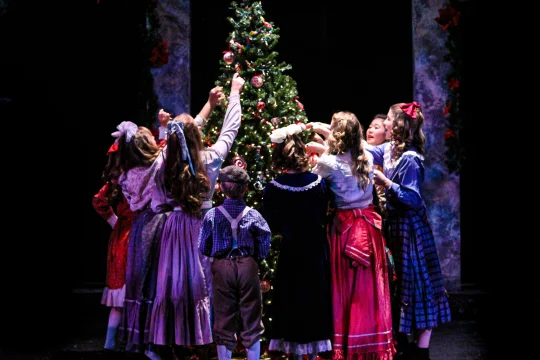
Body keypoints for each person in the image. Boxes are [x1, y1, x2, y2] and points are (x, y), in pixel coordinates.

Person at [148, 73, 245, 356]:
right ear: (196, 136)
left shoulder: (164, 159)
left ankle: (173, 340)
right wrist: (235, 93)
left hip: (175, 226)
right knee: (202, 281)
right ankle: (205, 343)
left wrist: (165, 209)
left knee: (175, 281)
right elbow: (230, 130)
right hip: (203, 225)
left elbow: (156, 199)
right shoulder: (210, 158)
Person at [365, 102, 452, 360]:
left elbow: (412, 199)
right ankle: (403, 343)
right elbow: (367, 151)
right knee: (399, 283)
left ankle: (420, 351)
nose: (386, 124)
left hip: (410, 229)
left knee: (417, 285)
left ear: (399, 124)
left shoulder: (410, 159)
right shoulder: (390, 150)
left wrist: (387, 183)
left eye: (389, 120)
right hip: (395, 226)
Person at [305, 111, 395, 360]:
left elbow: (310, 185)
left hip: (345, 230)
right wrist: (325, 135)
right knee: (368, 290)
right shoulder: (365, 155)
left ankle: (347, 345)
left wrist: (318, 149)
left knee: (346, 289)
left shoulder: (327, 163)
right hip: (369, 229)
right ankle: (372, 343)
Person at [261, 123, 333, 360]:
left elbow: (271, 223)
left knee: (291, 297)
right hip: (314, 249)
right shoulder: (318, 184)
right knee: (313, 296)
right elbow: (324, 213)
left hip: (291, 250)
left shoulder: (273, 188)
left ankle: (292, 352)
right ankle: (311, 354)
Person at [198, 165, 272, 360]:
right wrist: (256, 258)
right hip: (247, 265)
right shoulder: (254, 214)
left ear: (221, 187)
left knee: (223, 314)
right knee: (252, 313)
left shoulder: (213, 215)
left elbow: (203, 245)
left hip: (222, 266)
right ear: (245, 189)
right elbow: (265, 238)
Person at [113, 120, 169, 360]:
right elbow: (168, 147)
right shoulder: (158, 165)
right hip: (157, 225)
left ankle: (136, 339)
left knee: (138, 282)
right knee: (155, 282)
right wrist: (166, 128)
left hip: (138, 228)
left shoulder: (126, 176)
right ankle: (152, 343)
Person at [92, 141, 137, 352]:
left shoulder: (116, 179)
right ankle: (128, 343)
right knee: (131, 293)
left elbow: (99, 200)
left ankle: (111, 344)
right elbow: (99, 200)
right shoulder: (134, 177)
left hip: (121, 237)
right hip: (133, 237)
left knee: (120, 296)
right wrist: (116, 221)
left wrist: (115, 222)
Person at [366, 113, 397, 300]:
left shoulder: (387, 160)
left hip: (383, 220)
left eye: (376, 127)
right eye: (369, 126)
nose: (370, 130)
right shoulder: (360, 158)